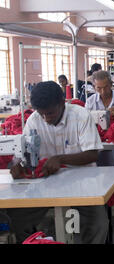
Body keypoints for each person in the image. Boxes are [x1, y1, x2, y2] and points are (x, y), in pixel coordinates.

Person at [7, 81, 107, 244]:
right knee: (18, 218)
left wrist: (60, 159)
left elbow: (92, 154)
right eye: (42, 114)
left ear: (62, 103)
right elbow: (24, 154)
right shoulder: (33, 120)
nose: (46, 119)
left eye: (50, 113)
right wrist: (17, 165)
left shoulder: (81, 115)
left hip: (83, 182)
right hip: (46, 184)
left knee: (97, 223)